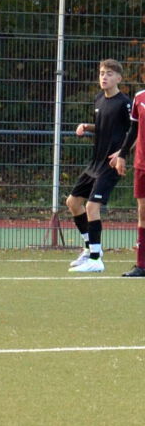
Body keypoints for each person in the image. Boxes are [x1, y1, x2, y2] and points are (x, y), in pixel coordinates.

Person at [66, 59, 131, 273]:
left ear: (119, 79)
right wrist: (87, 126)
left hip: (110, 164)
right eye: (102, 73)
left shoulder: (125, 103)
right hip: (95, 162)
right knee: (73, 202)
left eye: (110, 73)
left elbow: (137, 131)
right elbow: (104, 126)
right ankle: (89, 248)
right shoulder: (99, 99)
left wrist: (122, 153)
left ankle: (96, 259)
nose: (104, 77)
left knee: (91, 207)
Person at [108, 65, 145, 277]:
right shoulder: (139, 98)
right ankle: (141, 265)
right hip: (141, 164)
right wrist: (122, 154)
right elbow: (133, 130)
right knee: (142, 213)